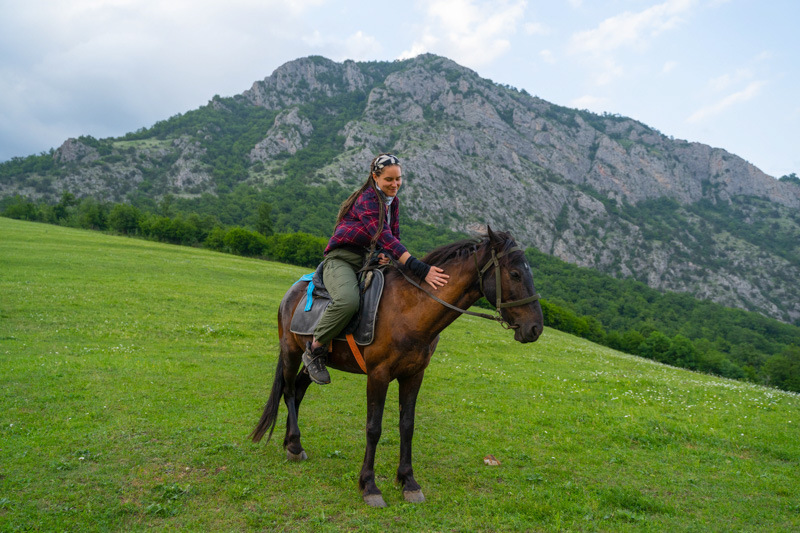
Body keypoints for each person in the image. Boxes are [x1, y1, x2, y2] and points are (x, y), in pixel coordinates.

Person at [302, 153, 450, 384]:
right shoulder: (367, 198)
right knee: (348, 301)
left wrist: (384, 256)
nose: (395, 184)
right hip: (341, 260)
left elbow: (393, 239)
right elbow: (382, 234)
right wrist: (420, 268)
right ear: (375, 177)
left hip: (368, 262)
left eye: (398, 179)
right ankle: (315, 349)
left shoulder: (393, 203)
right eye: (389, 180)